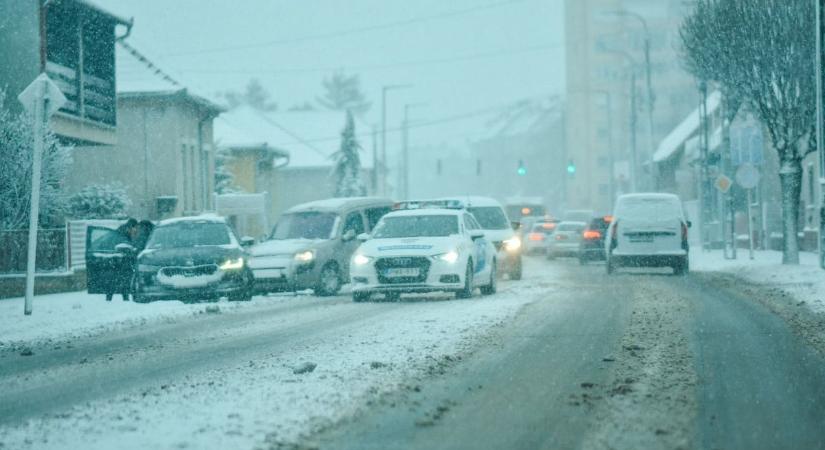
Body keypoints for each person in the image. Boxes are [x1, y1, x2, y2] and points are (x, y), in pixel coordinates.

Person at [105, 218, 138, 301]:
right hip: (121, 260)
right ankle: (124, 297)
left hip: (115, 260)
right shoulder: (124, 234)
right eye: (135, 228)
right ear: (131, 226)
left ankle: (110, 297)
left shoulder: (120, 231)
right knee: (123, 280)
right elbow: (124, 246)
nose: (135, 230)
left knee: (115, 280)